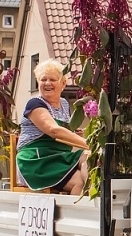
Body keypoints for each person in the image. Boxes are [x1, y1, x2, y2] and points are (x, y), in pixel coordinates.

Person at [15, 60, 90, 194]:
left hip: (60, 157)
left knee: (88, 156)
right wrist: (89, 143)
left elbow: (65, 130)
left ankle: (97, 193)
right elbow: (54, 130)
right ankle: (78, 209)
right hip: (36, 161)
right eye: (43, 79)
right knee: (79, 181)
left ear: (63, 83)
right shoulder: (34, 104)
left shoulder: (64, 104)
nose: (47, 83)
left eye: (53, 79)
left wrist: (77, 133)